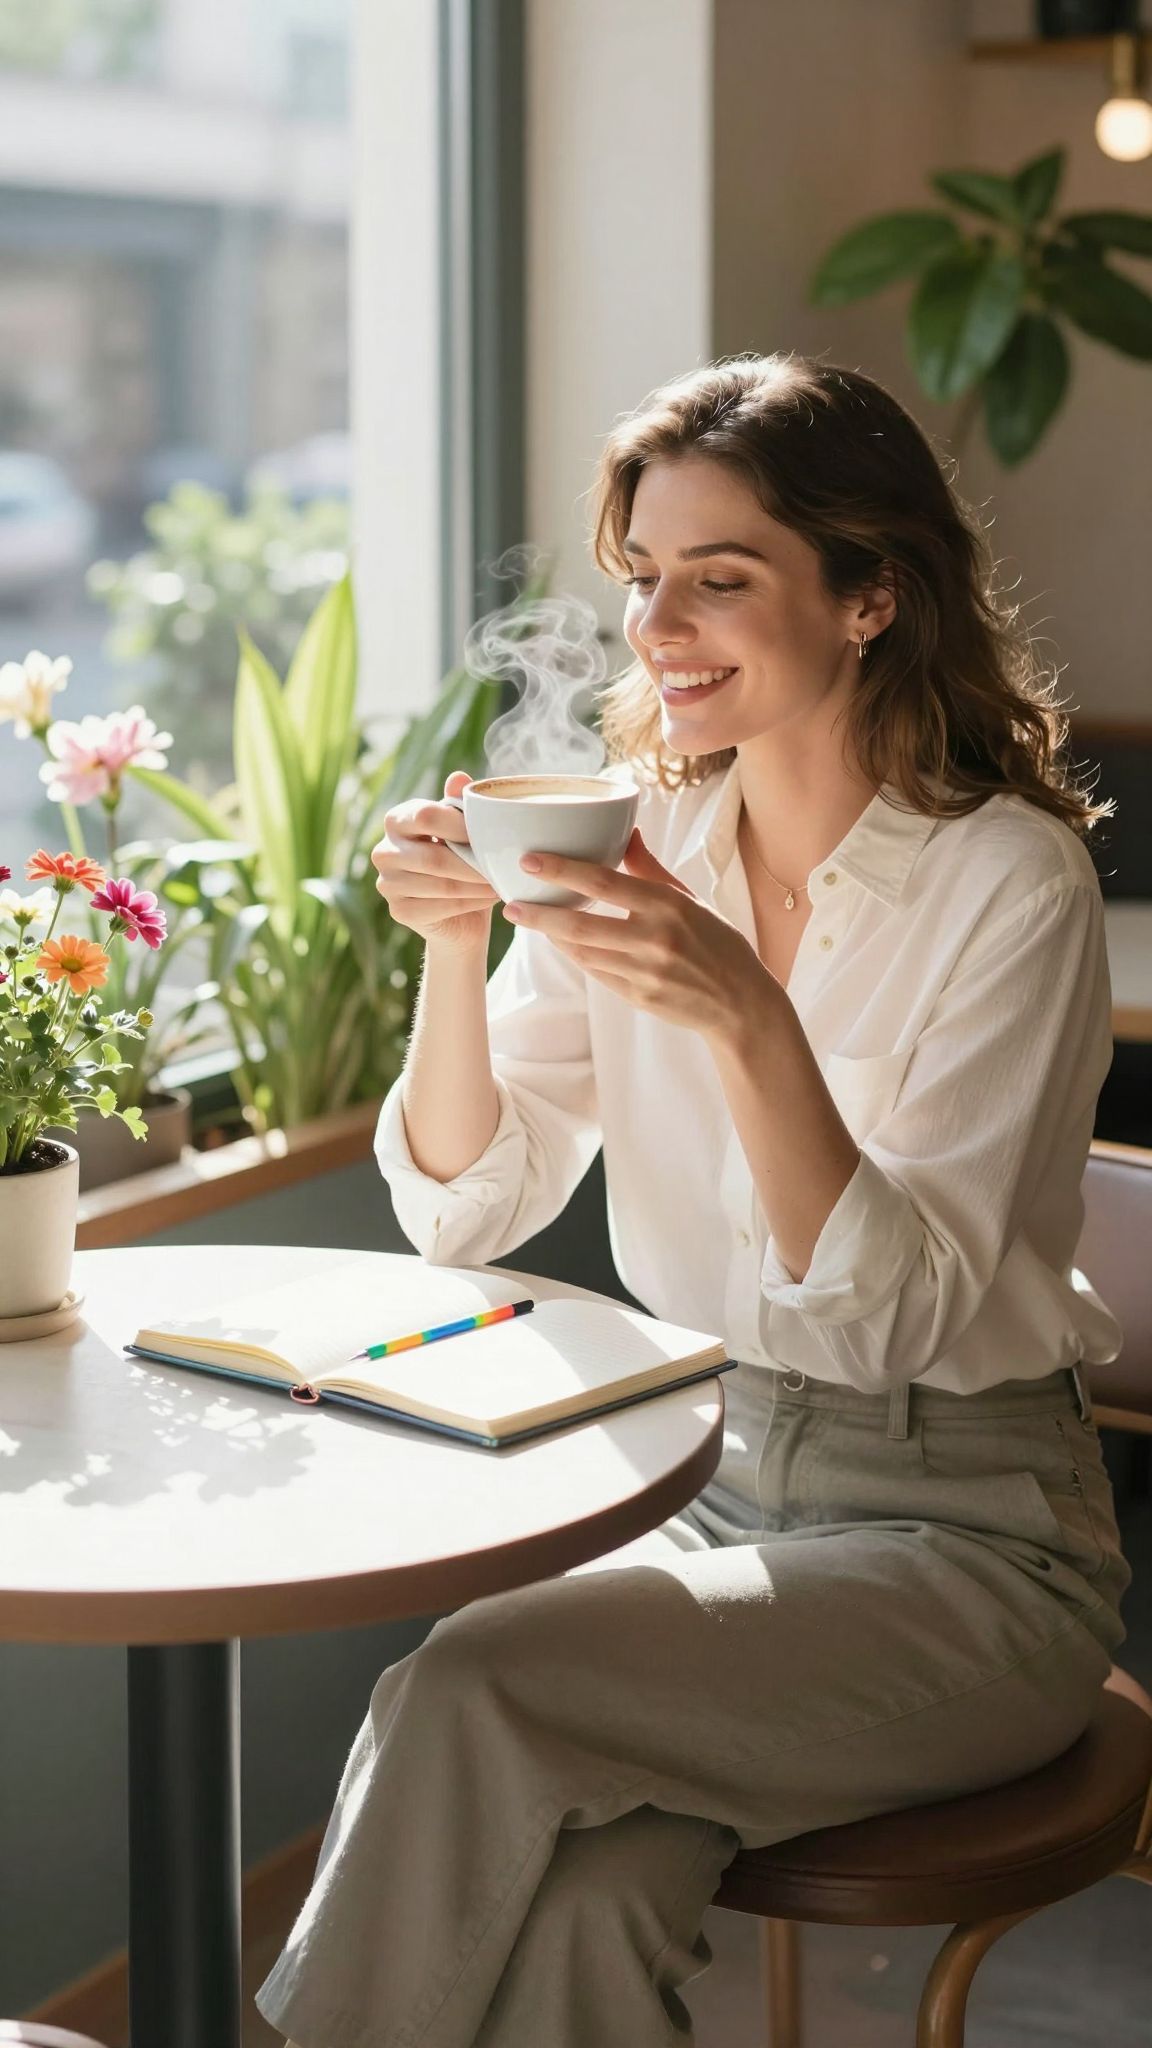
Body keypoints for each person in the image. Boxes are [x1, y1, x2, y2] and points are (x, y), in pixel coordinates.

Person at [258, 355, 1131, 2048]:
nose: (660, 624)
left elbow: (892, 1315)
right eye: (644, 575)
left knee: (474, 1681)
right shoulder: (653, 836)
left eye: (721, 579)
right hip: (710, 1486)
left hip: (971, 1544)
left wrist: (740, 1008)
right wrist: (459, 950)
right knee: (581, 1897)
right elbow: (467, 1206)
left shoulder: (1008, 885)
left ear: (874, 594)